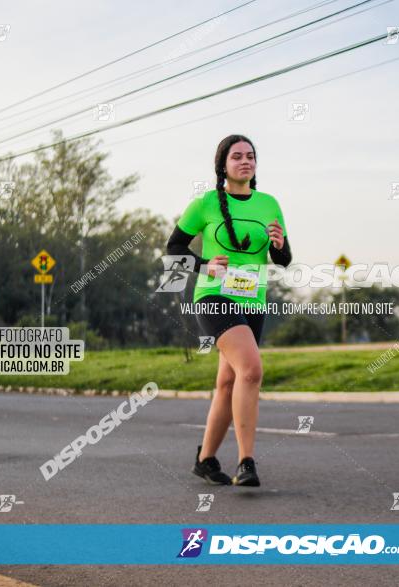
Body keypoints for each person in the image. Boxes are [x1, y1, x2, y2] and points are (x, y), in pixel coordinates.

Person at [166, 134, 292, 487]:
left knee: (227, 382)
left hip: (253, 301)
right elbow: (174, 247)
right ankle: (246, 462)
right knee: (251, 370)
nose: (245, 161)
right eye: (237, 156)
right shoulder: (204, 204)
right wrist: (205, 264)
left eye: (250, 156)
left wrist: (280, 246)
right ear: (223, 165)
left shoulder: (269, 203)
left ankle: (205, 459)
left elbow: (282, 259)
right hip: (214, 298)